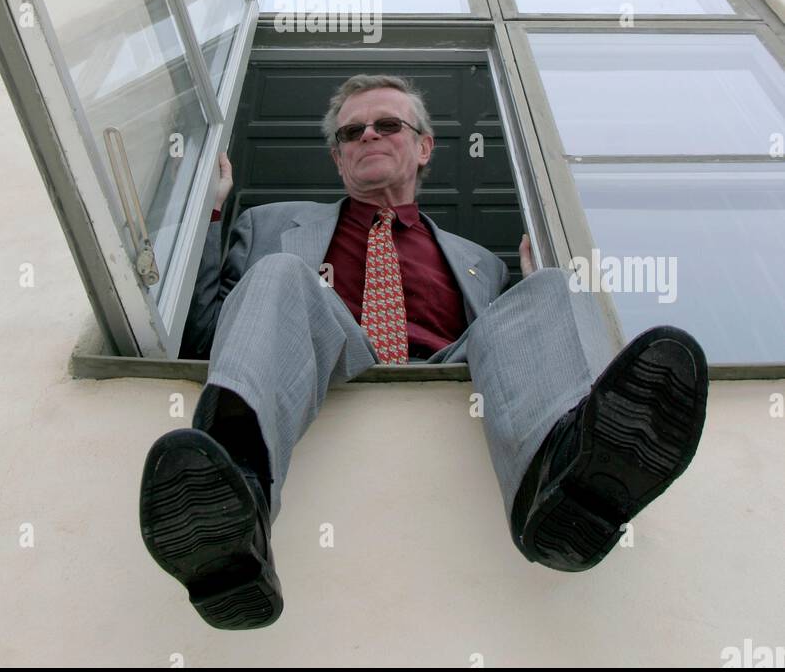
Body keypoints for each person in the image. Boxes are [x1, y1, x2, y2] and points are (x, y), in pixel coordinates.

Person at [139, 73, 708, 630]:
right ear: (338, 160)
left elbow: (501, 352)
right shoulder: (268, 224)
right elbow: (204, 338)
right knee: (281, 272)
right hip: (329, 349)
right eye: (349, 133)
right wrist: (208, 211)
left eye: (387, 124)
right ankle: (236, 506)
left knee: (553, 285)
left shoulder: (481, 261)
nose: (366, 136)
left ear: (424, 146)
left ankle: (566, 489)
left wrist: (543, 302)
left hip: (447, 362)